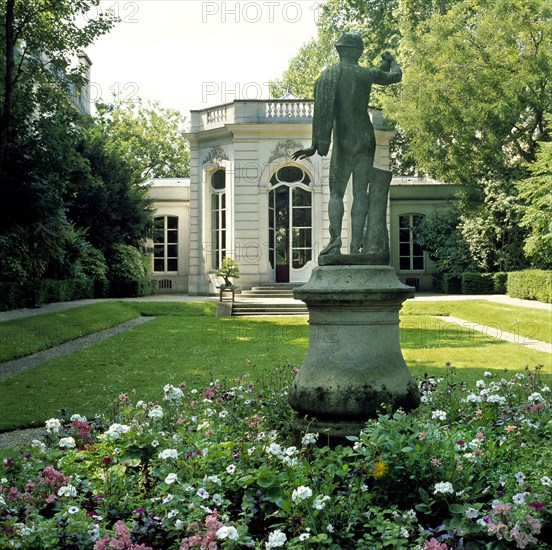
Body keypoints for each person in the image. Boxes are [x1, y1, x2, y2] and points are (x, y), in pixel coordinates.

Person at [293, 33, 402, 256]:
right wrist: (391, 60)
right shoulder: (366, 74)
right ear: (359, 51)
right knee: (361, 193)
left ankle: (335, 242)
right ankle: (355, 247)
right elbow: (395, 76)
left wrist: (314, 146)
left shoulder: (330, 74)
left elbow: (322, 114)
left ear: (339, 50)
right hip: (366, 136)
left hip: (344, 139)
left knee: (337, 194)